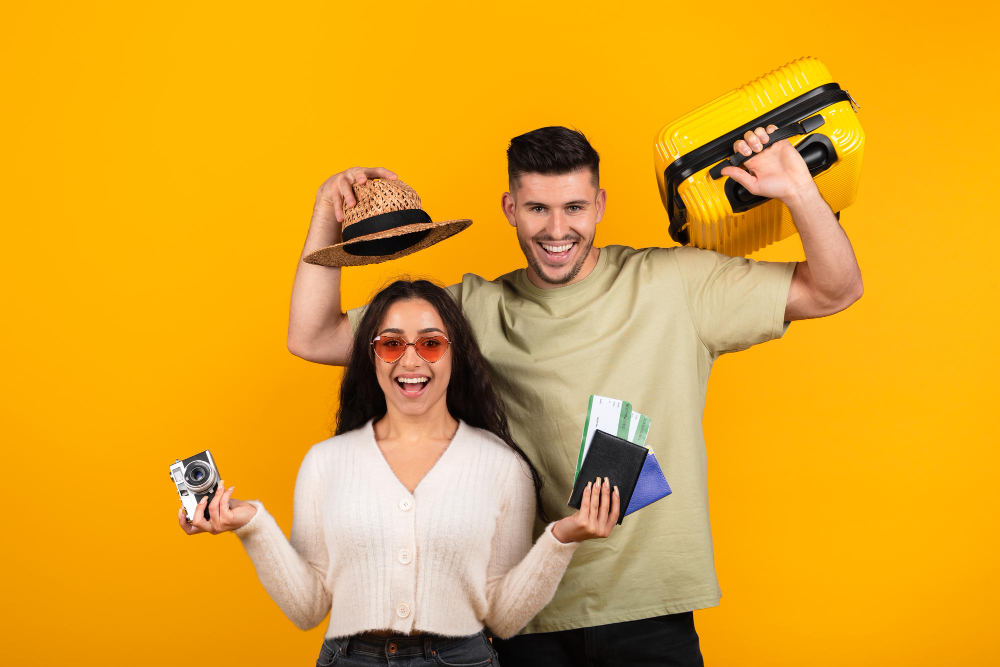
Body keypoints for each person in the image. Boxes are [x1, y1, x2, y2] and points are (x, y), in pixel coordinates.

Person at [285, 125, 864, 666]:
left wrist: (797, 191)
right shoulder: (473, 311)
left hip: (651, 609)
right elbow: (313, 336)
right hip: (529, 617)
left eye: (574, 208)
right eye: (537, 208)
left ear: (600, 206)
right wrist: (324, 214)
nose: (556, 230)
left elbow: (836, 289)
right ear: (510, 209)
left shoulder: (676, 285)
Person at [177, 279, 620, 666]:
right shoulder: (325, 461)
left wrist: (563, 539)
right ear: (371, 357)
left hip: (461, 660)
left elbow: (503, 618)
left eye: (430, 343)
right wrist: (251, 525)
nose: (411, 361)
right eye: (392, 344)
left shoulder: (502, 466)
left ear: (455, 354)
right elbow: (308, 607)